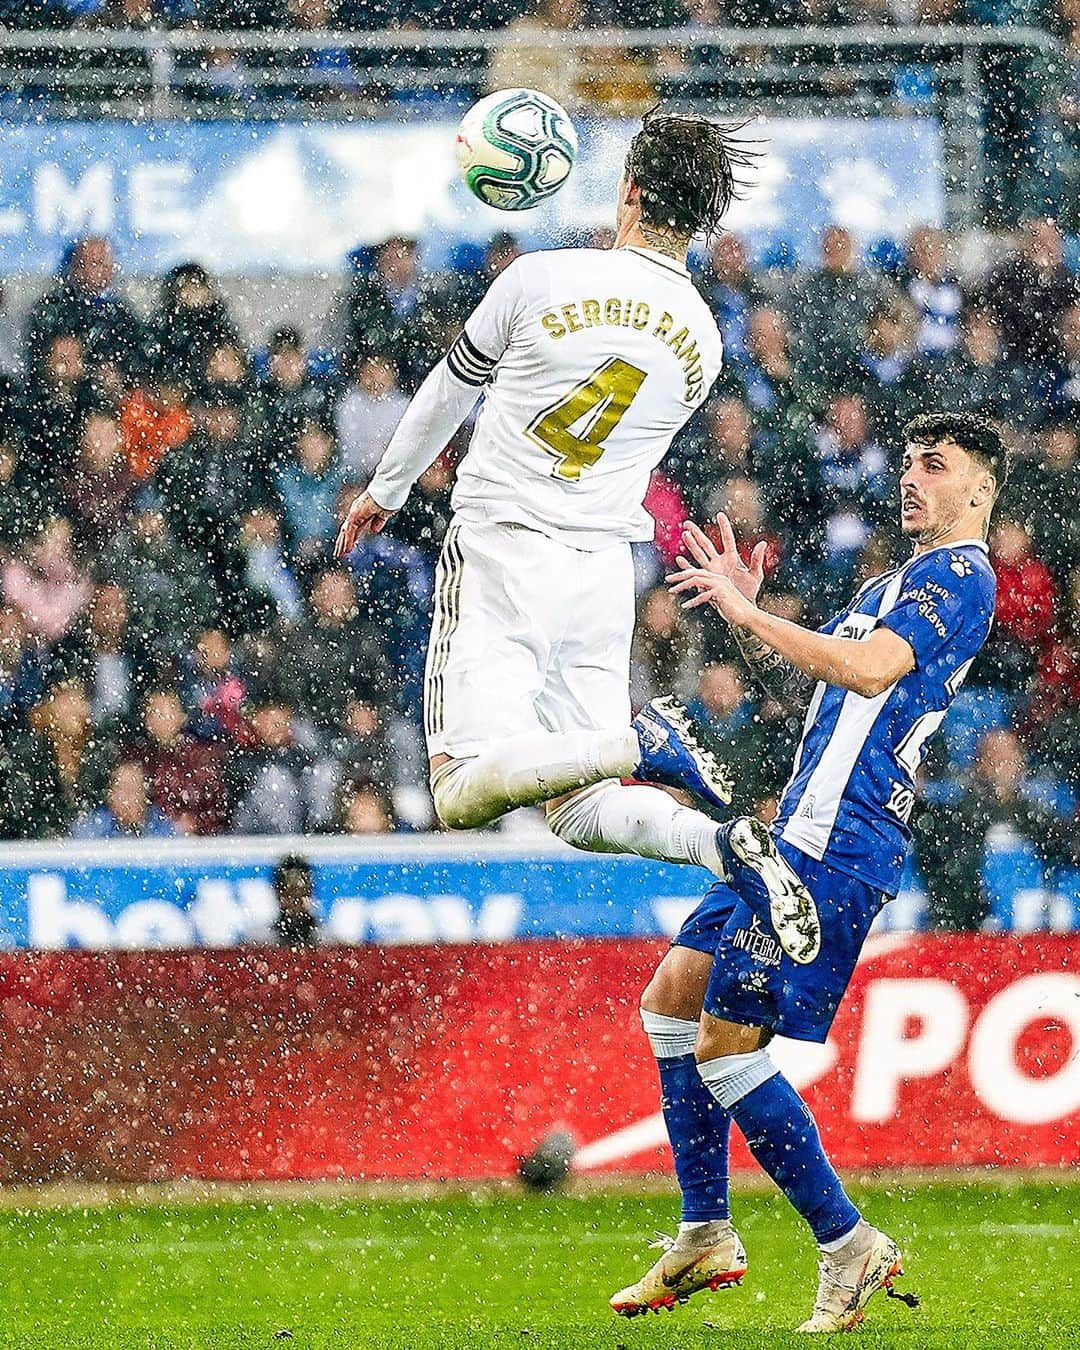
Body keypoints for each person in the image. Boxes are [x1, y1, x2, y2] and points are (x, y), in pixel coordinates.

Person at [610, 411, 1005, 1333]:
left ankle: (849, 1244)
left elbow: (867, 673)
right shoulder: (893, 579)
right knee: (671, 999)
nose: (911, 478)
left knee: (727, 1046)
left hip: (839, 845)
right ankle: (705, 1228)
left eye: (934, 466)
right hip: (792, 831)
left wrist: (752, 613)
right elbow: (821, 673)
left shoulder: (961, 576)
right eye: (907, 462)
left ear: (980, 488)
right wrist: (755, 614)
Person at [336, 110, 756, 876]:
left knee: (460, 791)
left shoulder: (539, 278)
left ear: (629, 191)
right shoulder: (704, 337)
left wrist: (387, 487)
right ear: (699, 220)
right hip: (601, 572)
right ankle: (720, 845)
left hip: (504, 547)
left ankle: (640, 742)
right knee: (584, 808)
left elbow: (448, 390)